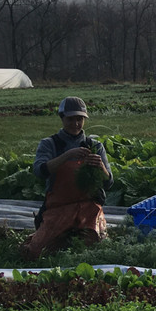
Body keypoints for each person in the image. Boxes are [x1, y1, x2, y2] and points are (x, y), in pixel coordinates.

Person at [21, 96, 114, 260]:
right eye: (71, 119)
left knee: (97, 249)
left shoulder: (95, 146)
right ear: (62, 118)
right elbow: (40, 171)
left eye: (80, 119)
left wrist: (101, 167)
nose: (76, 124)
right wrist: (66, 156)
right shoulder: (50, 144)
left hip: (89, 208)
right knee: (37, 252)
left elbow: (109, 183)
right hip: (58, 208)